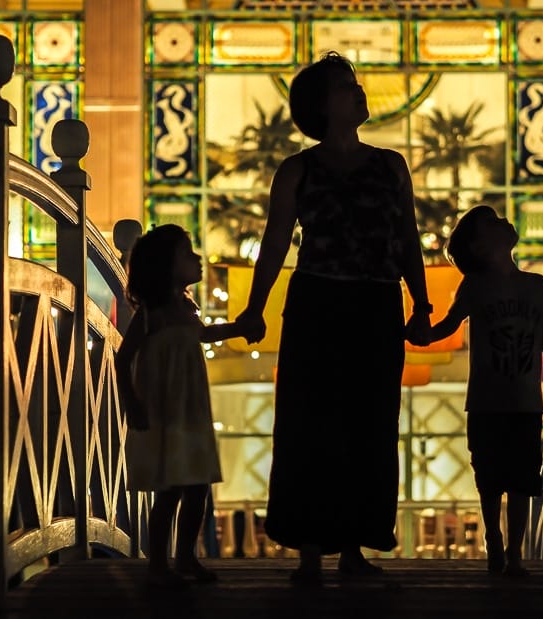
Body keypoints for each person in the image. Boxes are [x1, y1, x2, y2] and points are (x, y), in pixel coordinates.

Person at [235, 51, 432, 585]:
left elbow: (406, 238)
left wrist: (421, 299)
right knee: (308, 424)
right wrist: (255, 305)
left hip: (375, 304)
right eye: (347, 85)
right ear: (323, 105)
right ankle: (310, 548)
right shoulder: (298, 169)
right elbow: (276, 243)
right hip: (317, 304)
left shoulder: (390, 164)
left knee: (369, 424)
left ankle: (351, 545)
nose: (359, 90)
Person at [429, 205, 543, 578]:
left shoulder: (538, 285)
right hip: (488, 402)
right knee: (491, 480)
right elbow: (448, 324)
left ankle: (513, 554)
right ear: (479, 247)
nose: (504, 220)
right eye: (491, 222)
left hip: (524, 403)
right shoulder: (476, 286)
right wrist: (416, 335)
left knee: (522, 481)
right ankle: (496, 546)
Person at [115, 223, 247, 587]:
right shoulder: (151, 314)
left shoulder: (185, 308)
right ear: (166, 265)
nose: (198, 259)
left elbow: (204, 334)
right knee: (171, 490)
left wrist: (239, 328)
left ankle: (186, 556)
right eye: (188, 254)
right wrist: (132, 403)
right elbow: (122, 360)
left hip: (190, 410)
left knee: (198, 487)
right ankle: (160, 562)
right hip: (165, 411)